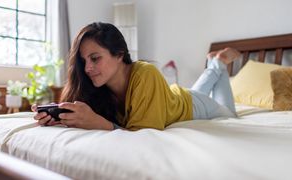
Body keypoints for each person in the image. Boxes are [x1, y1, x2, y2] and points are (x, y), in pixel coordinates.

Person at [32, 22, 240, 131]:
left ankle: (218, 63)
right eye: (83, 60)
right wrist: (62, 118)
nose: (87, 68)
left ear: (119, 54)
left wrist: (99, 123)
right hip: (173, 97)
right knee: (196, 91)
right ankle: (216, 63)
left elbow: (144, 134)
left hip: (193, 105)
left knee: (231, 114)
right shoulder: (98, 87)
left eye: (95, 58)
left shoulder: (145, 73)